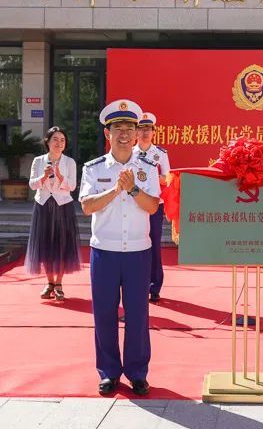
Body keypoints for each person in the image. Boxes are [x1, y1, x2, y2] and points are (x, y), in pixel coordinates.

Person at [79, 99, 161, 397]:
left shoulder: (147, 167)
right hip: (105, 252)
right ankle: (109, 372)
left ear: (137, 133)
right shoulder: (94, 168)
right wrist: (116, 189)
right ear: (107, 133)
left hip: (139, 252)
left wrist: (133, 189)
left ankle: (138, 372)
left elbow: (152, 206)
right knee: (104, 313)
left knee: (138, 314)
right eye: (117, 128)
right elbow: (87, 206)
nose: (124, 134)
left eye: (129, 128)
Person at [25, 127, 80, 301]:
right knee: (45, 244)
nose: (59, 143)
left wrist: (60, 176)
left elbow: (72, 186)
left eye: (62, 140)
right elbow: (32, 185)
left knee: (62, 245)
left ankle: (59, 283)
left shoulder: (69, 162)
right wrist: (43, 176)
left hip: (63, 205)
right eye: (55, 139)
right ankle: (49, 282)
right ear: (47, 141)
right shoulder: (38, 161)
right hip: (43, 205)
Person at [135, 112, 171, 303]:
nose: (145, 132)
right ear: (136, 132)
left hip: (154, 204)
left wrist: (152, 178)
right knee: (135, 244)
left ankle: (154, 286)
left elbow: (167, 177)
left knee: (154, 244)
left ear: (153, 132)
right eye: (141, 129)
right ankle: (137, 284)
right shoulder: (129, 153)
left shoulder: (160, 154)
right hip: (133, 205)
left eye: (148, 129)